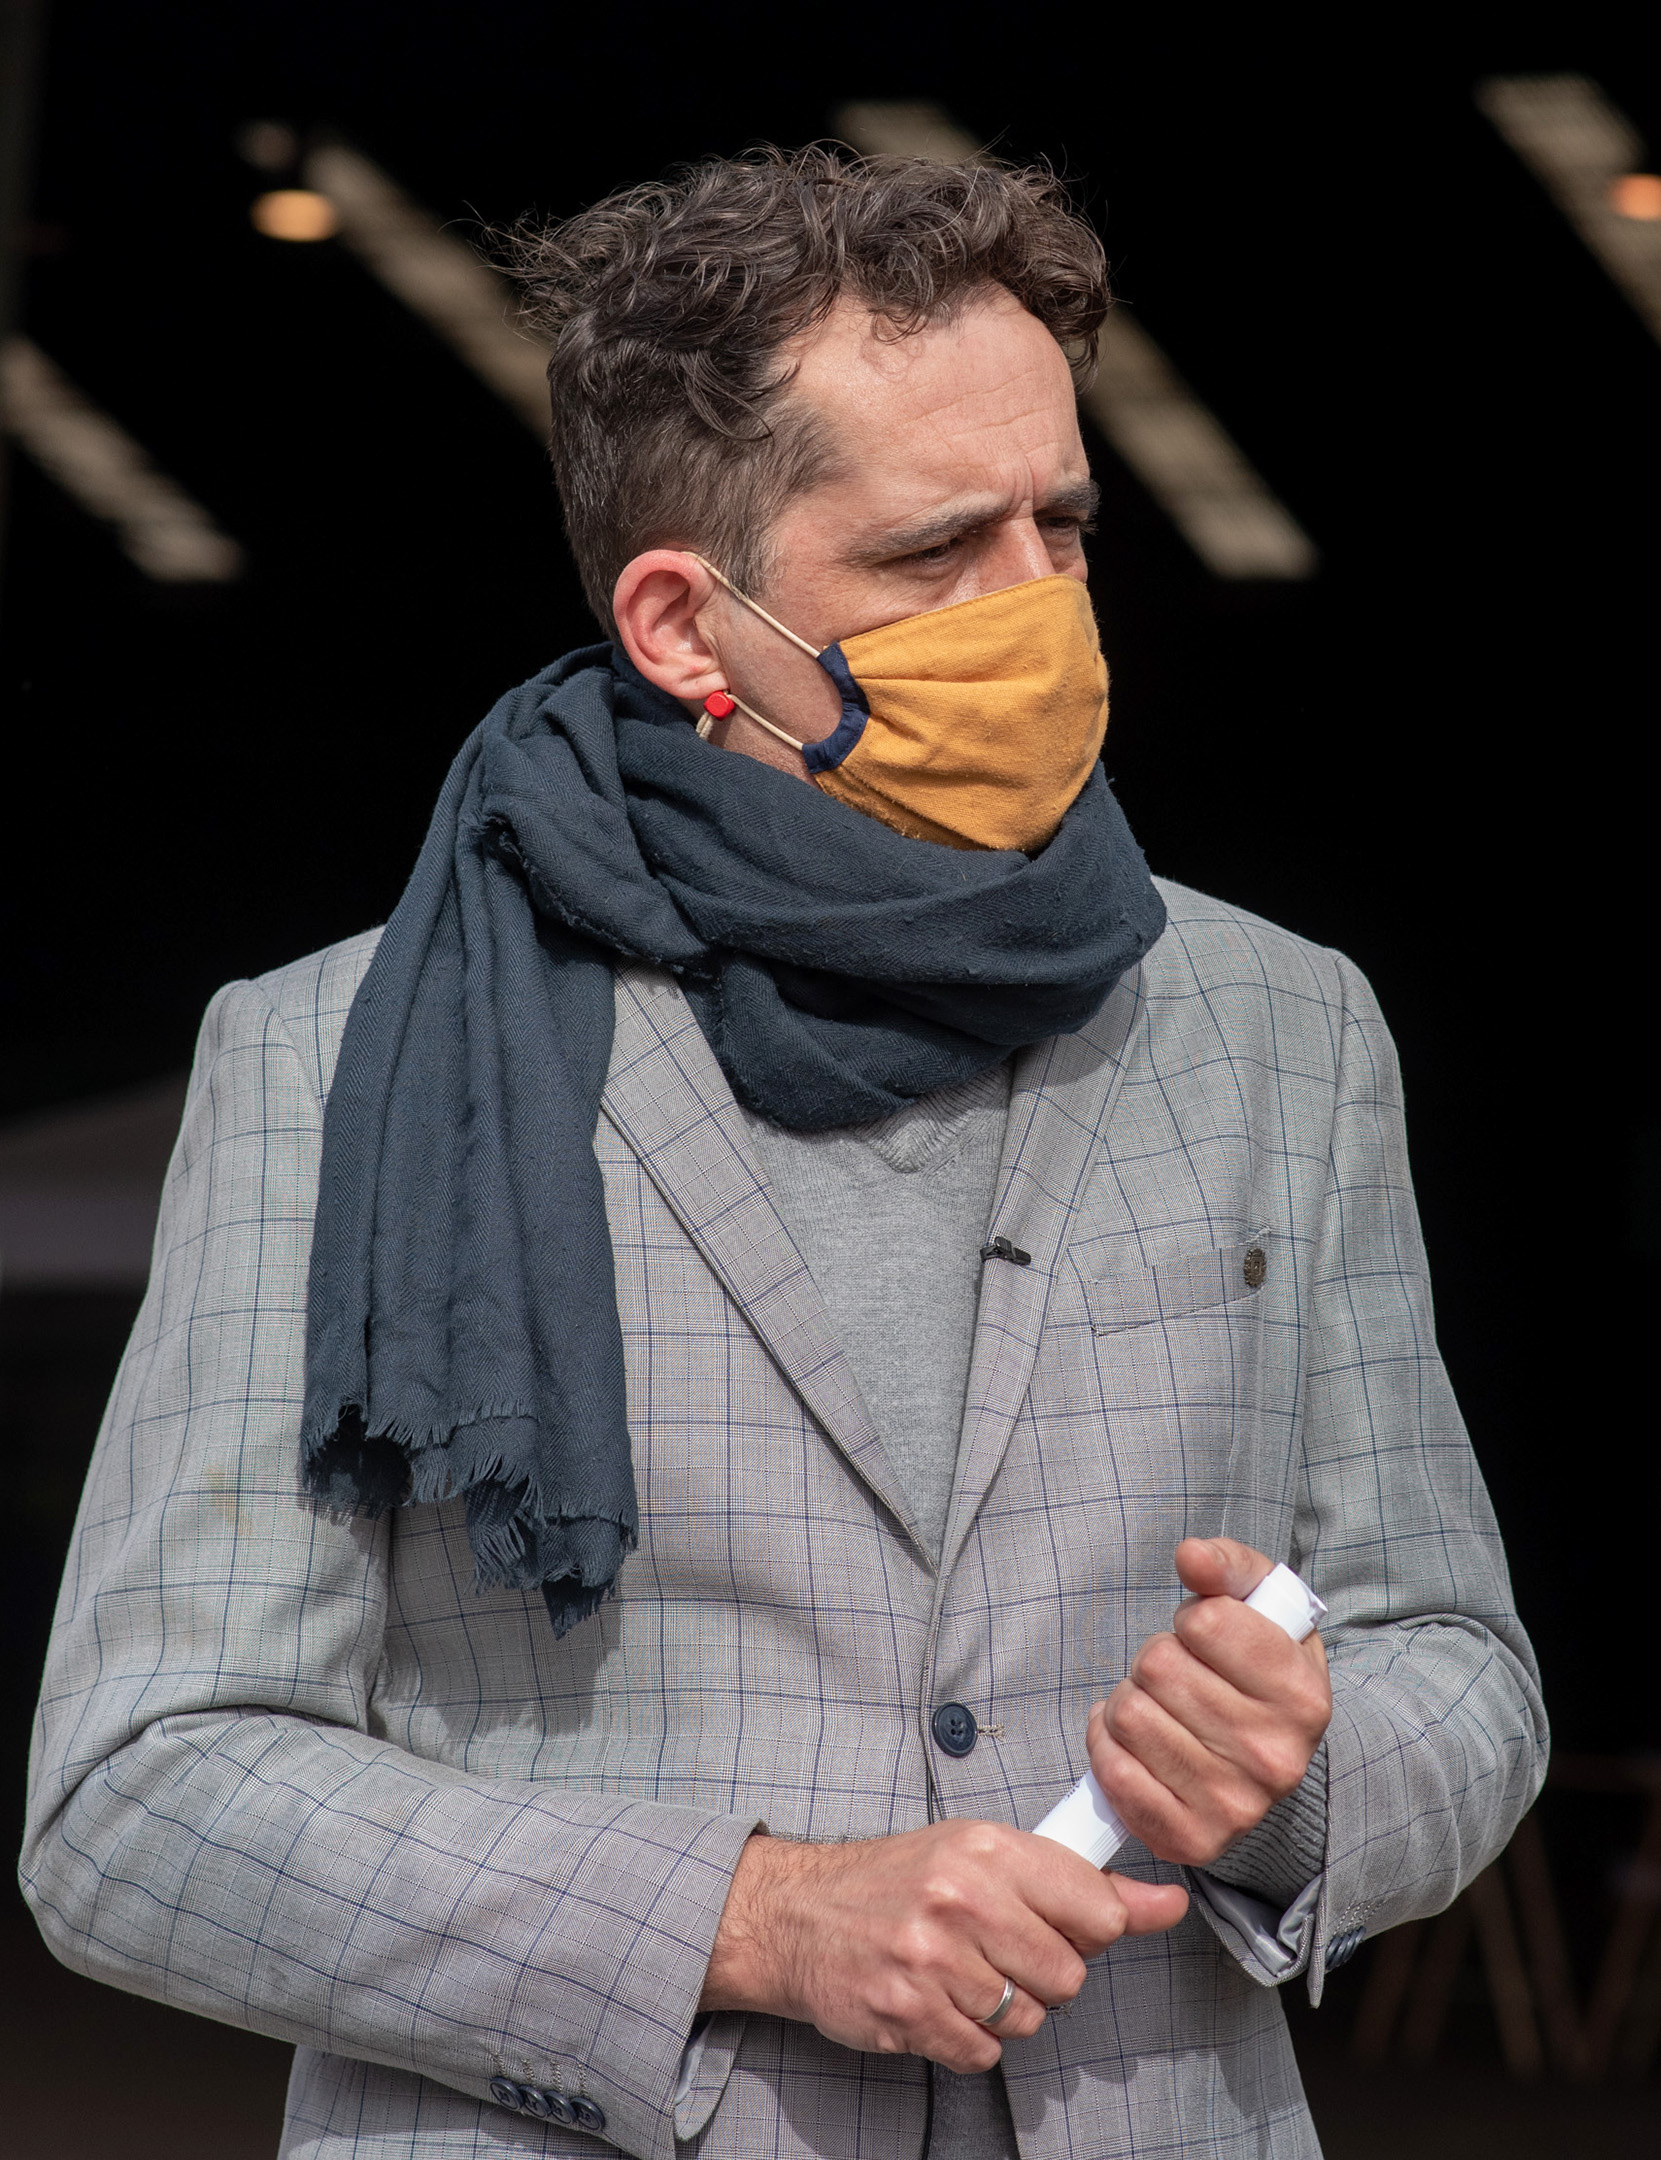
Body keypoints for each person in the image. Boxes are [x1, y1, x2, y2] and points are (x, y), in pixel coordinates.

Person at [22, 148, 1545, 2160]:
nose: (1036, 606)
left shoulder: (1278, 1024)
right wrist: (751, 1920)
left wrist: (1299, 1776)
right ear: (683, 620)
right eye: (937, 549)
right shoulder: (336, 1059)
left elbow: (1460, 1661)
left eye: (1064, 523)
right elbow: (138, 1794)